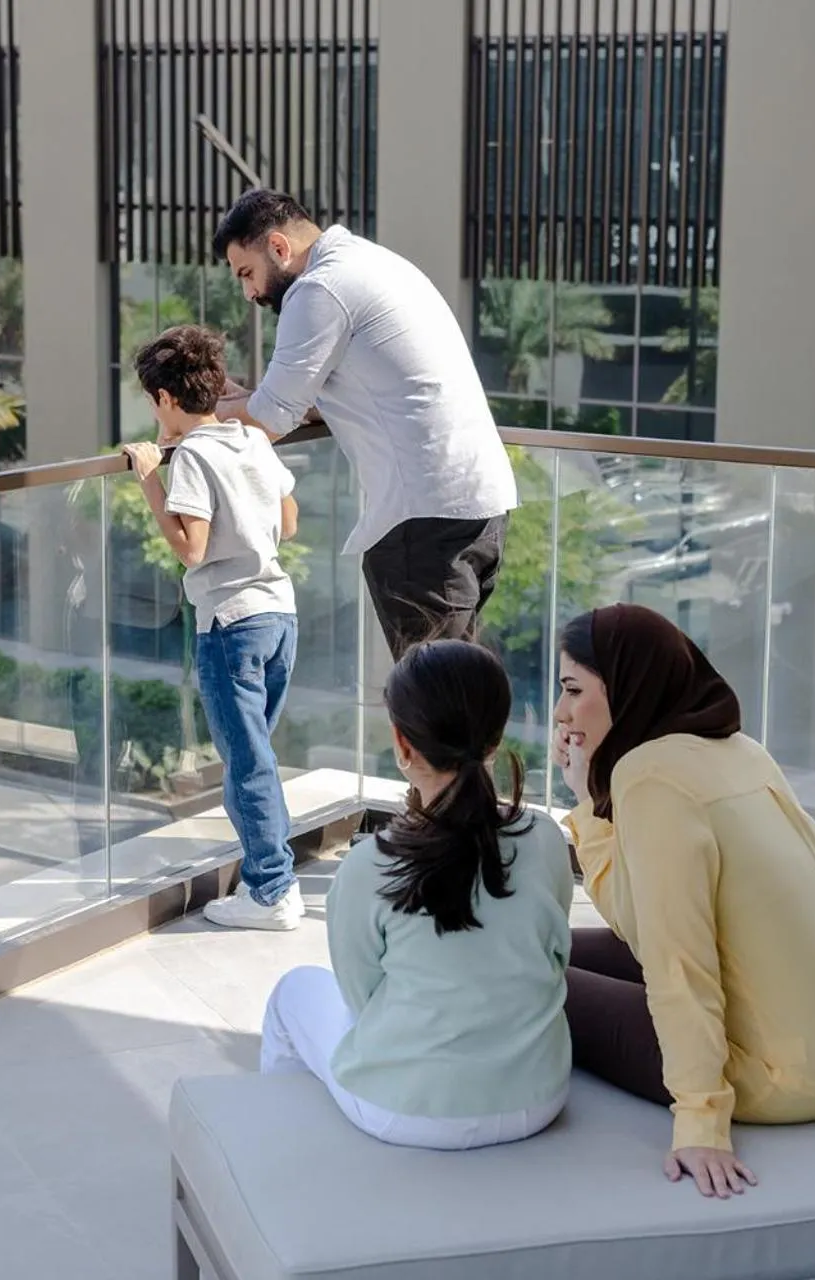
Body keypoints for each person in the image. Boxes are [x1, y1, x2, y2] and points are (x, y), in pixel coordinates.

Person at [551, 604, 815, 1197]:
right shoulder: (737, 748)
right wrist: (592, 797)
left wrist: (701, 1122)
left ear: (629, 686)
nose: (561, 713)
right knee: (547, 946)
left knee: (522, 973)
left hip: (792, 1075)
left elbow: (676, 963)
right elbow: (646, 924)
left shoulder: (649, 777)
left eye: (573, 690)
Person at [261, 640, 574, 1148]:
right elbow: (554, 954)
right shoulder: (545, 838)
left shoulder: (370, 864)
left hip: (403, 1111)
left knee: (291, 994)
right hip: (538, 1098)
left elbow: (361, 999)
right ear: (495, 738)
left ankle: (285, 1150)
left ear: (402, 745)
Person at [209, 189, 519, 661]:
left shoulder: (319, 289)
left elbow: (271, 418)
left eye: (246, 274)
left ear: (278, 246)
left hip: (424, 517)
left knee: (433, 706)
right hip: (478, 504)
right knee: (459, 690)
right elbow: (337, 391)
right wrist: (248, 401)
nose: (249, 293)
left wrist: (200, 412)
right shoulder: (373, 263)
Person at [123, 325, 305, 931]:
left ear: (166, 399)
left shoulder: (194, 459)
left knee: (246, 764)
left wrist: (153, 479)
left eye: (154, 402)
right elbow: (290, 519)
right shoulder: (250, 440)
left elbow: (191, 548)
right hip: (280, 613)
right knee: (256, 757)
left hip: (229, 626)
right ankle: (272, 878)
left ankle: (271, 891)